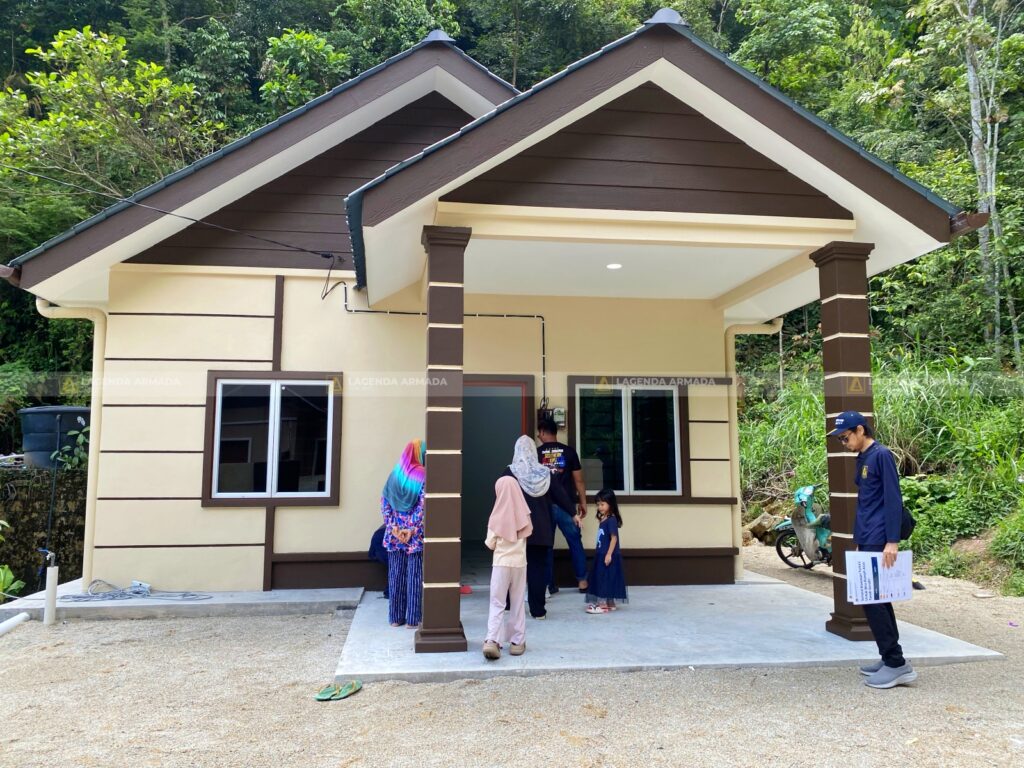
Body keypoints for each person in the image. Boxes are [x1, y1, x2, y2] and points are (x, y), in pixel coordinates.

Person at [829, 411, 917, 689]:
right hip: (869, 536)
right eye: (840, 440)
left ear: (860, 430)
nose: (844, 443)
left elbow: (893, 499)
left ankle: (896, 664)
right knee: (876, 599)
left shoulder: (881, 455)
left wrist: (892, 540)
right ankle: (890, 657)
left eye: (845, 437)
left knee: (873, 600)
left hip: (880, 538)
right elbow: (866, 503)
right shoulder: (863, 457)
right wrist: (859, 538)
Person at [501, 434, 574, 620]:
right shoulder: (545, 473)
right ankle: (538, 611)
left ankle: (508, 605)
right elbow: (560, 495)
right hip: (540, 530)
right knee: (537, 570)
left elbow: (501, 499)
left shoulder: (510, 473)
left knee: (511, 567)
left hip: (516, 530)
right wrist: (573, 513)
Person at [482, 476, 534, 660]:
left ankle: (492, 640)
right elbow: (527, 533)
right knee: (517, 602)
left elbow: (490, 543)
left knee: (497, 602)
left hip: (501, 564)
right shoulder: (524, 513)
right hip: (519, 564)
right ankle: (517, 642)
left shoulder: (496, 516)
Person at [536, 418, 589, 595]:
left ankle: (548, 585)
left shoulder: (537, 454)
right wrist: (583, 502)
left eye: (539, 433)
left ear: (543, 432)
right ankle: (582, 581)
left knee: (546, 545)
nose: (538, 436)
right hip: (567, 507)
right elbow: (579, 480)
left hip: (545, 506)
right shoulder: (569, 452)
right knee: (575, 542)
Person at [380, 439, 426, 628]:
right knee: (414, 576)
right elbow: (423, 505)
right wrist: (411, 529)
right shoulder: (423, 475)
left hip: (394, 536)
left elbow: (385, 503)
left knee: (395, 575)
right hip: (414, 536)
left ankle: (395, 618)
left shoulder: (394, 475)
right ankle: (413, 620)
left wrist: (394, 528)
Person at [584, 489, 628, 614]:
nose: (600, 507)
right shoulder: (604, 518)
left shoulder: (611, 519)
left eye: (602, 504)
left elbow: (614, 538)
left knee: (603, 578)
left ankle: (602, 604)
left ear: (611, 504)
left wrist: (609, 554)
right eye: (598, 504)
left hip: (607, 554)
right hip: (601, 553)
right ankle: (610, 603)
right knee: (605, 577)